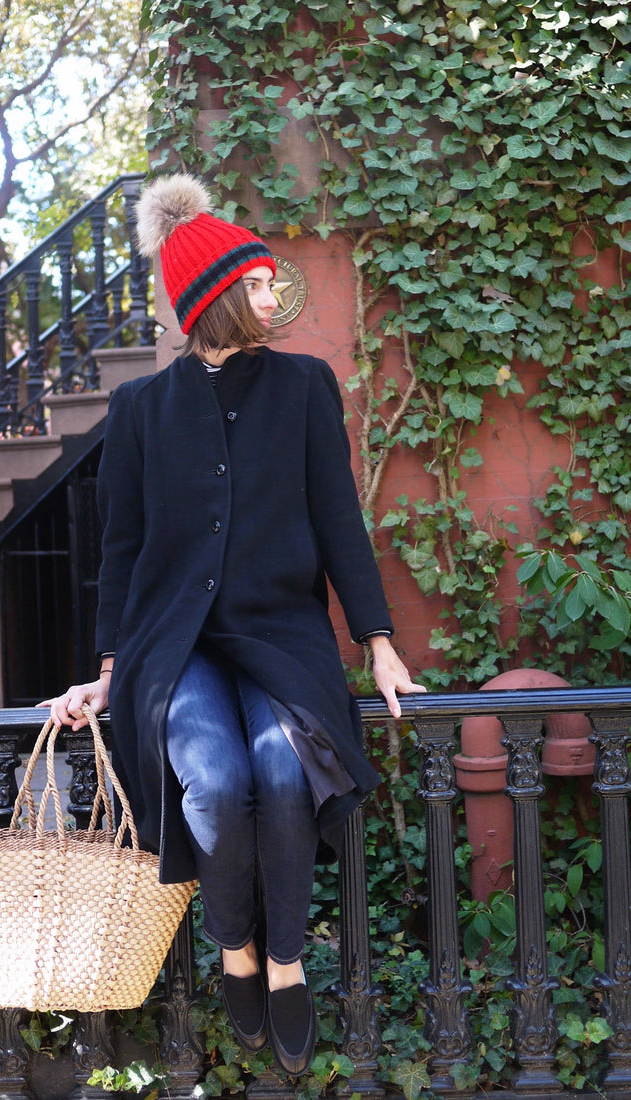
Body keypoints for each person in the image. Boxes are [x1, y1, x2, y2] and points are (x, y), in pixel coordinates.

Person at [44, 174, 425, 1076]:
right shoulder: (140, 409)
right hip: (173, 651)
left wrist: (378, 645)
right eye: (254, 282)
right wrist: (106, 669)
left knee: (284, 773)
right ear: (214, 295)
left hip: (281, 637)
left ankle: (285, 960)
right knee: (213, 785)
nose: (271, 294)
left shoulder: (302, 387)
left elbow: (339, 519)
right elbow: (123, 548)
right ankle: (236, 950)